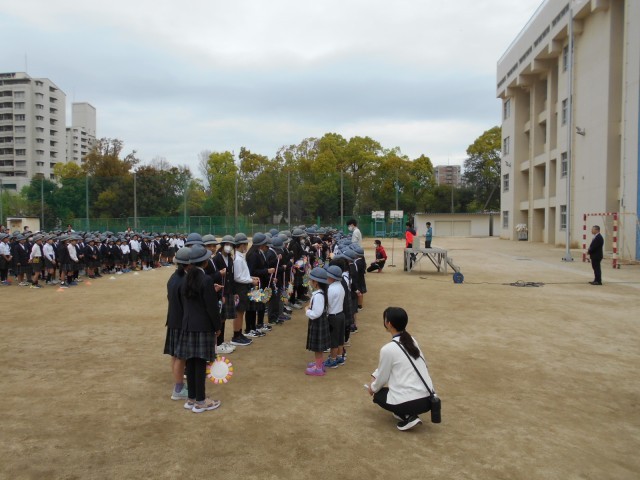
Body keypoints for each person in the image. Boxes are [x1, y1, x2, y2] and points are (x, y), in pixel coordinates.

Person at [367, 307, 435, 431]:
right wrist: (375, 375)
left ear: (389, 324)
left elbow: (382, 377)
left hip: (411, 402)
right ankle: (408, 414)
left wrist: (372, 388)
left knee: (378, 394)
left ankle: (407, 414)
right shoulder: (412, 340)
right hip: (428, 400)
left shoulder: (387, 349)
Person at [176, 245, 222, 413]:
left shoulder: (186, 279)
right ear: (205, 262)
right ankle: (201, 401)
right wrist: (217, 326)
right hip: (203, 326)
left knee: (191, 363)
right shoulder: (206, 279)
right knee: (200, 364)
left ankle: (192, 398)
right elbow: (211, 307)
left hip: (188, 325)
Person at [164, 246, 191, 401]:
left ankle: (179, 384)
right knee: (181, 356)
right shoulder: (185, 280)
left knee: (175, 355)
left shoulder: (173, 277)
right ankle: (178, 388)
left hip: (173, 320)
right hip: (181, 321)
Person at [304, 267, 331, 376]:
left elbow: (316, 313)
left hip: (317, 322)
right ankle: (319, 363)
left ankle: (318, 368)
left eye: (311, 280)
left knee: (317, 348)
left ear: (316, 282)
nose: (310, 282)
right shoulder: (321, 293)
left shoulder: (319, 296)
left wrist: (307, 311)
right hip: (320, 322)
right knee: (318, 348)